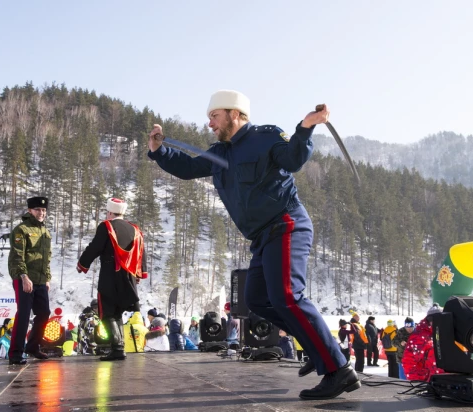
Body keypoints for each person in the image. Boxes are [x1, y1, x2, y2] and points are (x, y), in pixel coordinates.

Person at [148, 91, 358, 400]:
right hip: (262, 237)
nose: (209, 124)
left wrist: (306, 127)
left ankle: (338, 370)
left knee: (287, 295)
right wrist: (158, 150)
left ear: (234, 114)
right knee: (257, 300)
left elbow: (294, 158)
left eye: (214, 116)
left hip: (286, 224)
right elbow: (189, 168)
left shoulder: (266, 137)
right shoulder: (220, 153)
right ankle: (318, 349)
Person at [76, 197, 148, 361]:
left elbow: (95, 246)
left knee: (108, 313)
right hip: (128, 275)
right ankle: (119, 347)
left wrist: (82, 264)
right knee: (118, 312)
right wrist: (140, 273)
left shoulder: (106, 226)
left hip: (110, 273)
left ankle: (117, 348)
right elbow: (141, 252)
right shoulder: (134, 229)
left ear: (109, 212)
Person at [8, 196, 52, 365]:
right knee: (24, 315)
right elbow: (17, 256)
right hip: (24, 279)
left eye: (43, 210)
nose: (41, 213)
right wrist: (23, 277)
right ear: (29, 211)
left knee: (44, 313)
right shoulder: (21, 230)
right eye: (37, 210)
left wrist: (47, 278)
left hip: (40, 280)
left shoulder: (45, 232)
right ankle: (15, 353)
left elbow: (46, 258)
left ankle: (32, 347)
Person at [401, 304, 444, 382]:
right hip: (428, 383)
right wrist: (418, 382)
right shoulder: (419, 336)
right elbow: (409, 361)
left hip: (444, 381)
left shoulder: (444, 333)